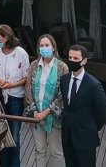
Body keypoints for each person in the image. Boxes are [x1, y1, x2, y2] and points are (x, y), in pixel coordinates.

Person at [0, 25, 30, 167]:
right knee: (1, 134)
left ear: (6, 38)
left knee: (15, 136)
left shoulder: (21, 53)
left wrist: (12, 85)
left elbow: (27, 77)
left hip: (15, 98)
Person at [59, 44, 106, 167]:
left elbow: (102, 112)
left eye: (76, 59)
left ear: (84, 61)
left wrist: (90, 127)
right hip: (68, 137)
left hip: (86, 139)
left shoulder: (93, 85)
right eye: (70, 58)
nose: (72, 61)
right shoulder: (64, 80)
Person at [24, 34, 68, 167]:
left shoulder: (62, 67)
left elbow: (63, 94)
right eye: (41, 46)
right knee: (39, 150)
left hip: (54, 117)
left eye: (47, 45)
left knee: (56, 152)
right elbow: (28, 89)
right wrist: (36, 112)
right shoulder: (34, 65)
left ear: (53, 48)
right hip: (36, 116)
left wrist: (46, 112)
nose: (44, 48)